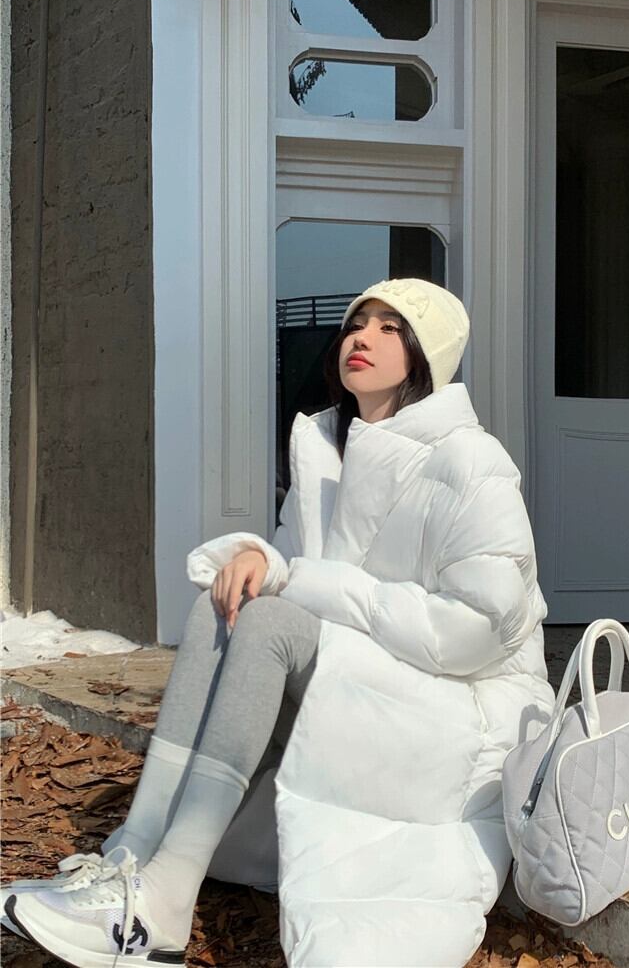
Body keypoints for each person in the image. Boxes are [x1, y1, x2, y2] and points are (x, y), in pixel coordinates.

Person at [3, 278, 556, 968]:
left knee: (267, 622)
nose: (361, 337)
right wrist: (262, 560)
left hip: (464, 705)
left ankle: (167, 898)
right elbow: (293, 573)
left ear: (425, 355)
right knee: (226, 603)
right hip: (375, 681)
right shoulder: (325, 449)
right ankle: (135, 855)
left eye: (390, 327)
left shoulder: (472, 461)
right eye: (357, 322)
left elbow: (476, 632)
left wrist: (298, 579)